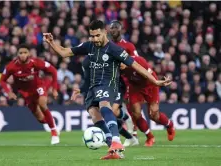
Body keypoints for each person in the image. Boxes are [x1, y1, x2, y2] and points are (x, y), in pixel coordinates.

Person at [43, 20, 171, 160]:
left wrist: (155, 80)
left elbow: (136, 65)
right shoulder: (89, 46)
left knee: (104, 106)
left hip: (108, 84)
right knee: (94, 114)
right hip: (93, 86)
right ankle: (114, 150)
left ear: (104, 32)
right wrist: (51, 43)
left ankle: (116, 141)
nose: (95, 39)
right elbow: (64, 52)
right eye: (92, 36)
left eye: (97, 35)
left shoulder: (114, 49)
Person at [71, 56, 138, 148]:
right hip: (95, 88)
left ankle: (126, 120)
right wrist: (80, 89)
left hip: (115, 85)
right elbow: (87, 80)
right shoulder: (87, 61)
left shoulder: (110, 52)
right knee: (94, 114)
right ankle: (116, 141)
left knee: (112, 111)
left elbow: (125, 66)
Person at [0, 44, 60, 145]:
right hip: (26, 93)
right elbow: (2, 80)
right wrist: (9, 92)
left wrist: (54, 89)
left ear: (29, 54)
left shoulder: (36, 62)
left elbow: (53, 70)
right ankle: (51, 122)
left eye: (25, 52)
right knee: (41, 119)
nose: (23, 55)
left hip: (38, 88)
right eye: (21, 53)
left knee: (42, 104)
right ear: (17, 54)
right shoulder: (11, 66)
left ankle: (54, 133)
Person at [109, 20, 151, 145]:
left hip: (127, 80)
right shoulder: (108, 45)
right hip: (113, 80)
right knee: (114, 109)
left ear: (121, 29)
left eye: (116, 27)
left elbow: (137, 62)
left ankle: (133, 135)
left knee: (130, 106)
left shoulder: (129, 46)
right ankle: (130, 132)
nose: (113, 30)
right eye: (111, 28)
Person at [120, 56, 176, 147]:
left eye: (121, 63)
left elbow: (148, 74)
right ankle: (149, 137)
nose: (119, 66)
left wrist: (157, 82)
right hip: (135, 87)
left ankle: (170, 125)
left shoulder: (138, 61)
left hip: (150, 84)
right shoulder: (116, 67)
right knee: (136, 113)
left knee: (154, 115)